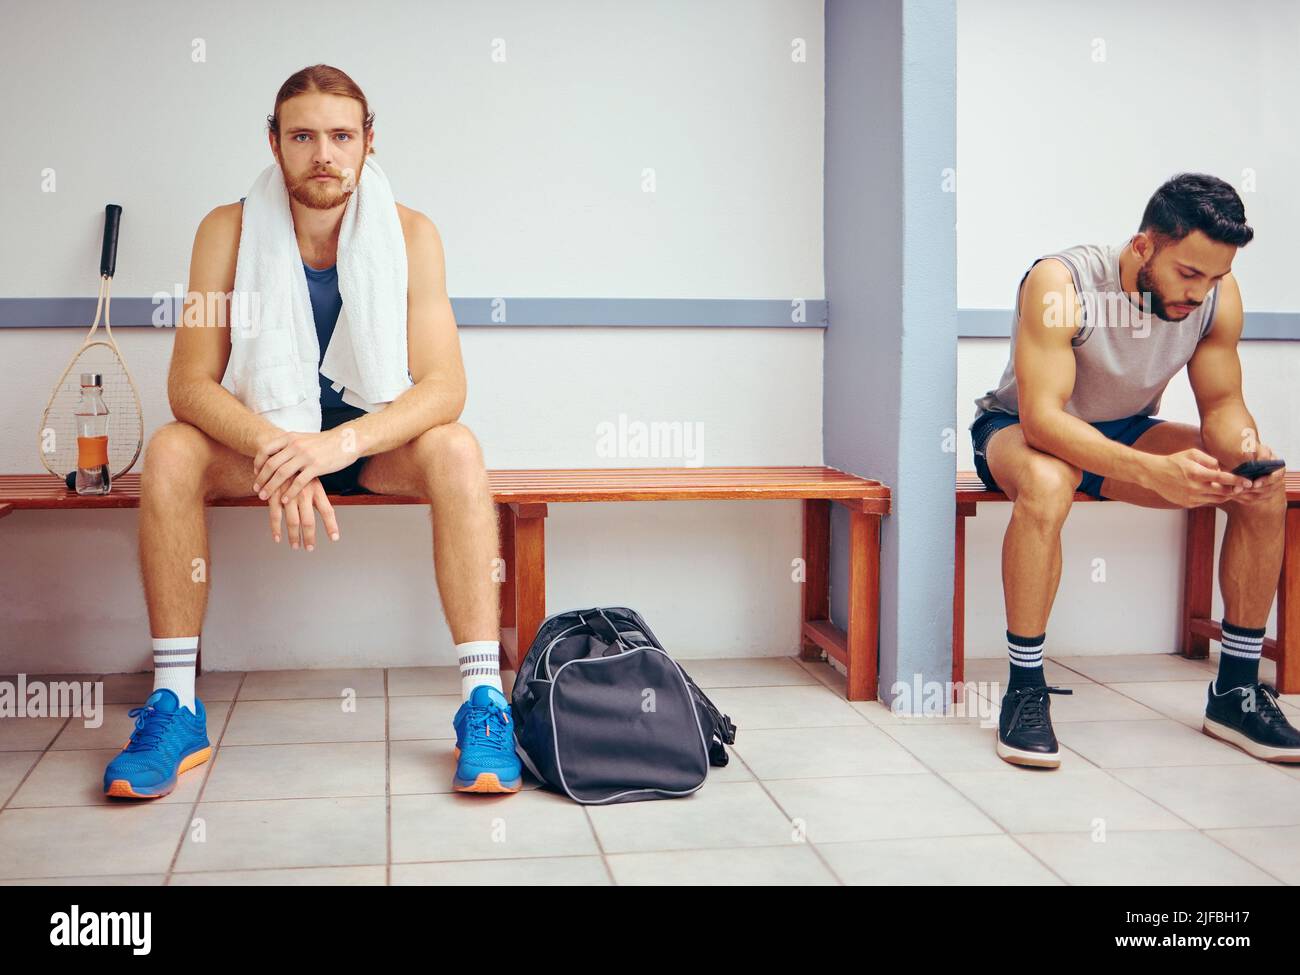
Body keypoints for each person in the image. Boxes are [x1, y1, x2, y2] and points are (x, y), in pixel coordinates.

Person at [103, 65, 521, 798]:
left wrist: (336, 446)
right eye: (302, 136)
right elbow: (189, 383)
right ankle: (176, 705)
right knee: (171, 449)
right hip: (264, 441)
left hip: (371, 447)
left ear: (367, 143)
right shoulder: (226, 230)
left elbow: (446, 386)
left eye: (339, 135)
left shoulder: (412, 234)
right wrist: (279, 447)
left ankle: (483, 702)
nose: (323, 153)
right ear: (274, 143)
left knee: (458, 446)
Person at [969, 172, 1296, 768]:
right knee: (1047, 480)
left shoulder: (1217, 295)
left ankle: (1236, 692)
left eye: (1215, 277)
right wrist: (1150, 471)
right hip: (1019, 430)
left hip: (1123, 427)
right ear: (1143, 245)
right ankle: (1024, 691)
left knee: (1260, 491)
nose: (1199, 293)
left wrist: (1249, 453)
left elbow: (1223, 406)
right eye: (1188, 273)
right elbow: (1044, 421)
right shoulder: (1061, 282)